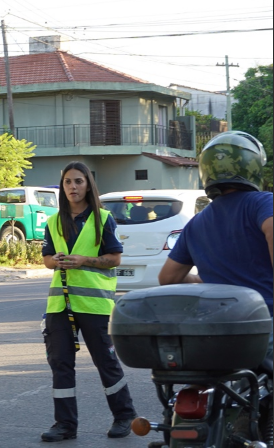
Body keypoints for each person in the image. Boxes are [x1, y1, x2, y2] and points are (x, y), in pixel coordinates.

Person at [159, 130, 273, 374]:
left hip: (214, 330)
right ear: (251, 166)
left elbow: (167, 279)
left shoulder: (197, 223)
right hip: (262, 326)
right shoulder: (264, 203)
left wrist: (201, 280)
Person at [39, 161, 137, 442]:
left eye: (78, 181)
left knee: (106, 363)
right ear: (63, 187)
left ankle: (124, 415)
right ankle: (65, 424)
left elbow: (114, 259)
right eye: (68, 182)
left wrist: (84, 261)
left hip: (94, 305)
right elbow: (46, 258)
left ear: (88, 185)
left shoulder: (104, 219)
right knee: (60, 364)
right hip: (60, 304)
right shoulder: (53, 221)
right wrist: (53, 262)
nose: (73, 187)